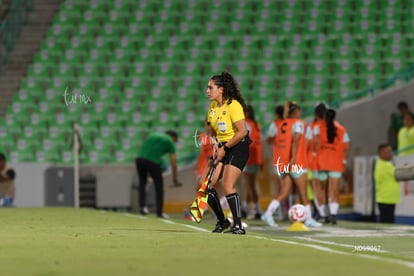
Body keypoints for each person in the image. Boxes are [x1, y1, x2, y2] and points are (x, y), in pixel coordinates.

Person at [261, 101, 322, 228]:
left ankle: (268, 213)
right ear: (296, 112)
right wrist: (294, 157)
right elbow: (296, 139)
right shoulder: (299, 123)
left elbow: (270, 139)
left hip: (281, 162)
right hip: (297, 162)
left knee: (284, 192)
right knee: (303, 193)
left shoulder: (280, 124)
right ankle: (309, 218)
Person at [204, 71, 251, 235]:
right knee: (207, 186)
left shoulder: (233, 105)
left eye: (211, 88)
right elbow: (211, 132)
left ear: (221, 89)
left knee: (227, 185)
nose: (207, 91)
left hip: (238, 146)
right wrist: (215, 144)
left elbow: (242, 131)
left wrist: (225, 148)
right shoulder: (212, 107)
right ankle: (223, 221)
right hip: (223, 146)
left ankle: (238, 226)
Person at [313, 109, 350, 224]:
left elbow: (314, 144)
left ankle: (324, 215)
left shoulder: (318, 128)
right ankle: (333, 214)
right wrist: (343, 160)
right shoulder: (342, 130)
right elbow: (347, 147)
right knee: (333, 190)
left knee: (322, 190)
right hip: (336, 162)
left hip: (322, 162)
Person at [135, 130, 182, 218]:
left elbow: (147, 148)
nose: (174, 142)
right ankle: (159, 212)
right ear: (173, 137)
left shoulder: (152, 134)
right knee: (159, 186)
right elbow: (174, 164)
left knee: (142, 182)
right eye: (175, 140)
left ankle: (142, 207)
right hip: (153, 161)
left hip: (139, 159)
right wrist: (175, 179)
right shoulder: (170, 141)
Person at [241, 104, 263, 220]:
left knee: (249, 185)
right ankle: (251, 208)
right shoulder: (256, 125)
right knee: (250, 185)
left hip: (249, 157)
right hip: (252, 157)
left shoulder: (246, 124)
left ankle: (253, 208)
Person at [307, 103, 327, 220]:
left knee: (314, 188)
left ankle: (319, 211)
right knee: (325, 188)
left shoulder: (313, 127)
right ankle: (324, 211)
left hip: (313, 160)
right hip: (327, 160)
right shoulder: (331, 126)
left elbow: (309, 143)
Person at [266, 105, 285, 220]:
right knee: (288, 188)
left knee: (279, 187)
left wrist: (276, 139)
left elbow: (269, 139)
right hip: (290, 159)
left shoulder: (275, 124)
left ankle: (279, 213)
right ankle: (287, 211)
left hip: (278, 159)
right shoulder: (290, 123)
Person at [374, 143, 400, 223]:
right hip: (386, 199)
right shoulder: (385, 165)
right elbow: (399, 174)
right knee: (387, 222)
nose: (391, 153)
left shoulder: (383, 164)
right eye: (388, 151)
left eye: (391, 151)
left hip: (386, 198)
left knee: (386, 221)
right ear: (381, 153)